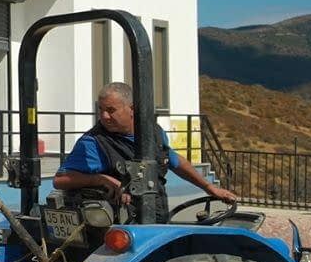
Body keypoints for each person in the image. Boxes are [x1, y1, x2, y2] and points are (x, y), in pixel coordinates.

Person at [54, 81, 237, 206]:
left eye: (111, 110)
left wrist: (209, 187)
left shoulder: (153, 132)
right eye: (101, 109)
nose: (104, 116)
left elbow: (173, 161)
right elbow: (60, 180)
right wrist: (100, 179)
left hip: (155, 216)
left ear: (132, 109)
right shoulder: (93, 143)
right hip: (119, 229)